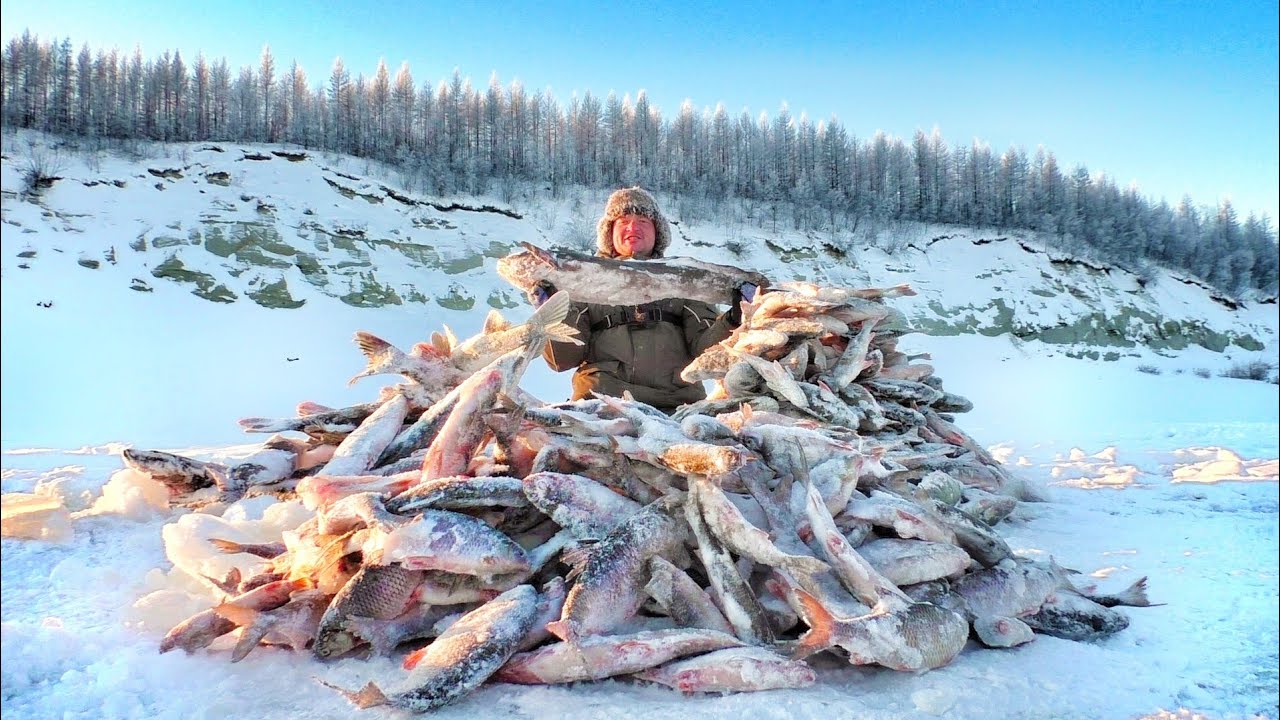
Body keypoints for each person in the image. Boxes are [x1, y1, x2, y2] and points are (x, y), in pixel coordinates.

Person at [529, 186, 756, 411]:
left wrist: (735, 318)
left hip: (676, 406)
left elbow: (705, 351)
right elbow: (562, 361)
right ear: (609, 232)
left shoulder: (683, 281)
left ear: (658, 233)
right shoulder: (581, 283)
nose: (632, 227)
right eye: (622, 220)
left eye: (643, 220)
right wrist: (550, 315)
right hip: (600, 403)